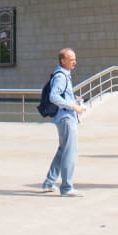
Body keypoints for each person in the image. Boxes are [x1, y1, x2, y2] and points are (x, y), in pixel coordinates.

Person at [41, 47, 86, 197]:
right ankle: (66, 187)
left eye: (74, 59)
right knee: (70, 152)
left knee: (62, 151)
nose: (75, 62)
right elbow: (54, 96)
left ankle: (49, 182)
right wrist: (72, 106)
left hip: (64, 117)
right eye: (71, 59)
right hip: (66, 118)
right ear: (63, 60)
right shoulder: (61, 76)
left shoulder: (64, 75)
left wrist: (74, 101)